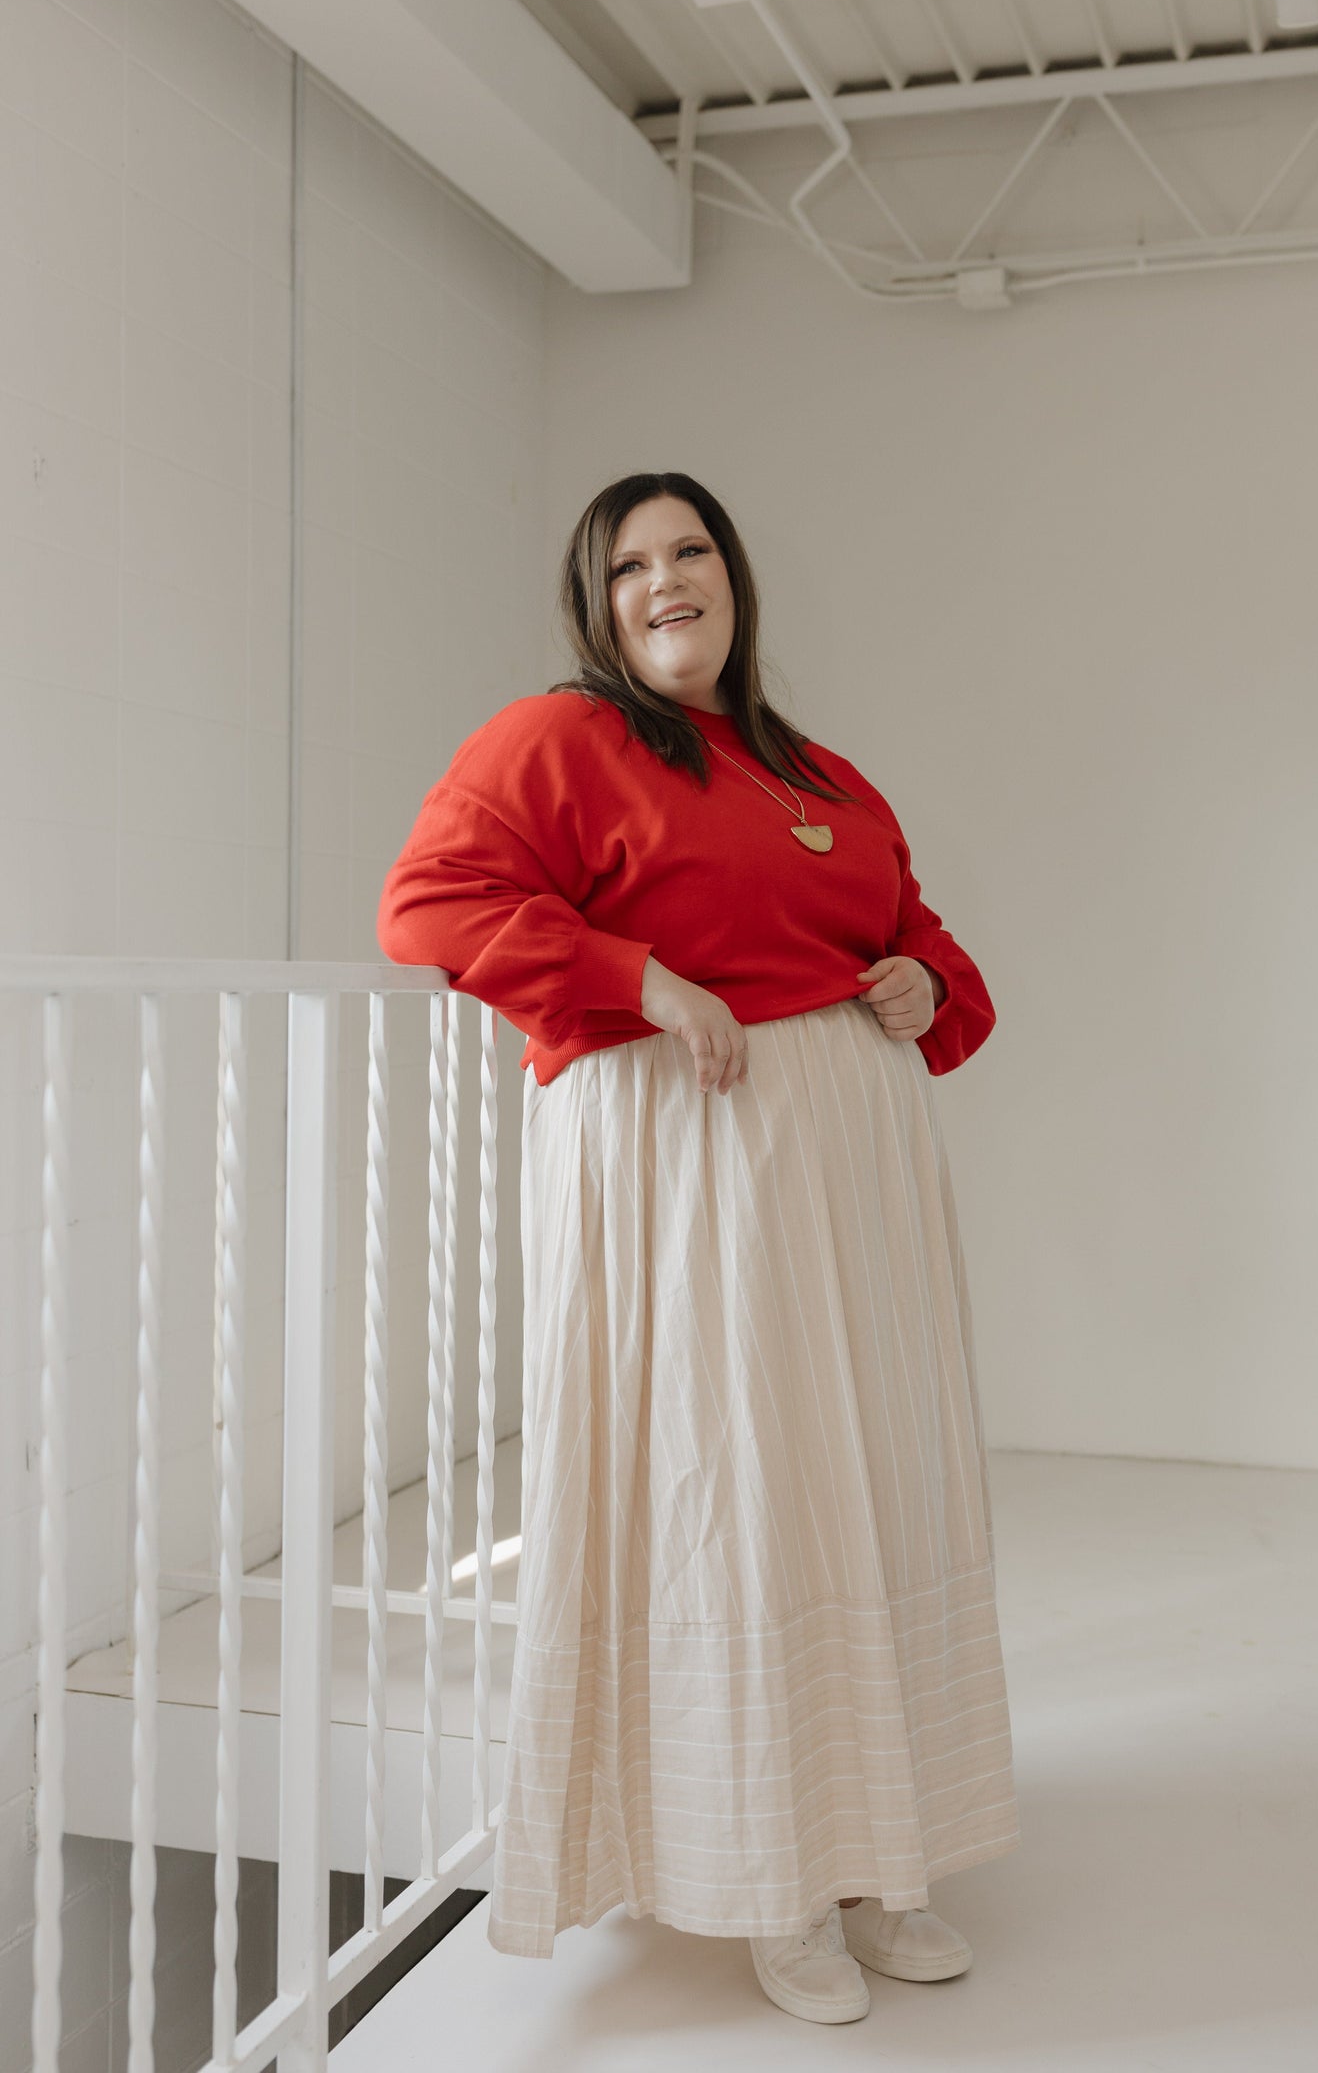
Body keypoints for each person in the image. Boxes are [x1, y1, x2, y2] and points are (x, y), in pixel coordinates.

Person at [376, 471, 1022, 2024]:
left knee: (867, 1477)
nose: (664, 582)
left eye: (689, 553)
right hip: (687, 1155)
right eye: (628, 568)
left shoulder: (822, 773)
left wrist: (926, 988)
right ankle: (769, 1871)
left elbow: (917, 939)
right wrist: (636, 979)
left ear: (733, 578)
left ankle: (880, 1849)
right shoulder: (558, 741)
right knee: (738, 1488)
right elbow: (429, 903)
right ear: (593, 607)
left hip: (850, 1169)